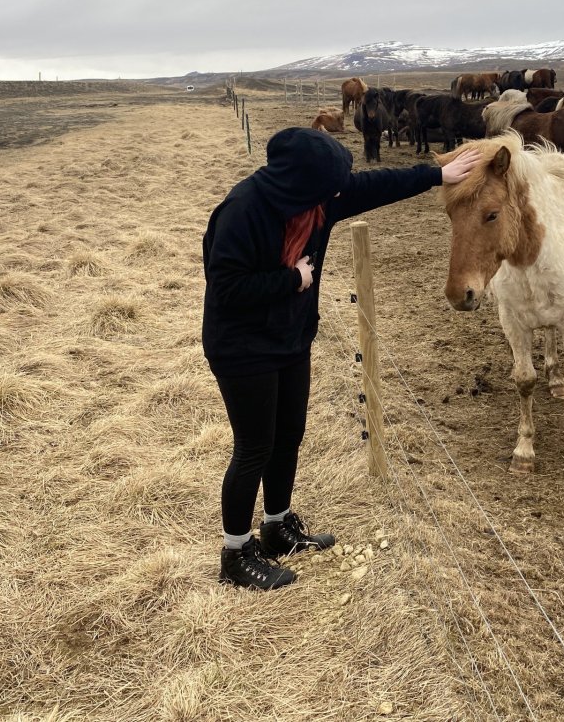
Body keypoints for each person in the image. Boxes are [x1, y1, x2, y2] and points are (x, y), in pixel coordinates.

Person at [202, 126, 478, 590]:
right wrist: (291, 279)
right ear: (300, 183)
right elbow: (226, 288)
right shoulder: (242, 211)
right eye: (331, 183)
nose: (339, 190)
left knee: (289, 434)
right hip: (242, 347)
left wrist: (437, 174)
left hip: (291, 339)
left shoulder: (318, 200)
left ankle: (276, 526)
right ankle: (235, 554)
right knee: (255, 447)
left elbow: (376, 185)